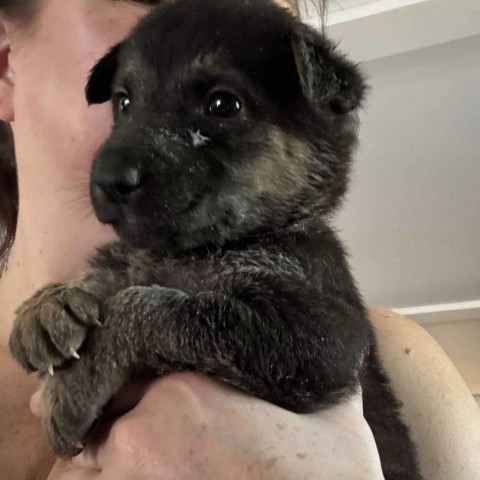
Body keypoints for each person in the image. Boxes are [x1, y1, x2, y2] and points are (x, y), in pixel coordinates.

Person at [0, 0, 478, 479]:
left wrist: (133, 327)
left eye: (222, 106)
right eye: (125, 103)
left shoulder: (399, 361)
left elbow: (313, 354)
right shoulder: (121, 270)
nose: (126, 147)